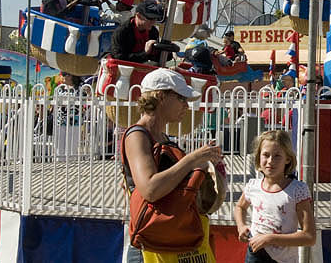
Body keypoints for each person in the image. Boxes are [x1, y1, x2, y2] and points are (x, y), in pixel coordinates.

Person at [122, 68, 222, 262]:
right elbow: (150, 189)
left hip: (164, 241)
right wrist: (192, 159)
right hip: (149, 247)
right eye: (181, 98)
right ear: (160, 96)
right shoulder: (137, 135)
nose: (186, 105)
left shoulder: (160, 137)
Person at [234, 130, 316, 263]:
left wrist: (270, 239)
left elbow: (309, 237)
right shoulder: (252, 186)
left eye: (277, 156)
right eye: (266, 155)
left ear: (288, 159)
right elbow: (240, 207)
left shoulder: (297, 190)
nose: (270, 161)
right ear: (258, 157)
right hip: (255, 254)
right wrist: (241, 226)